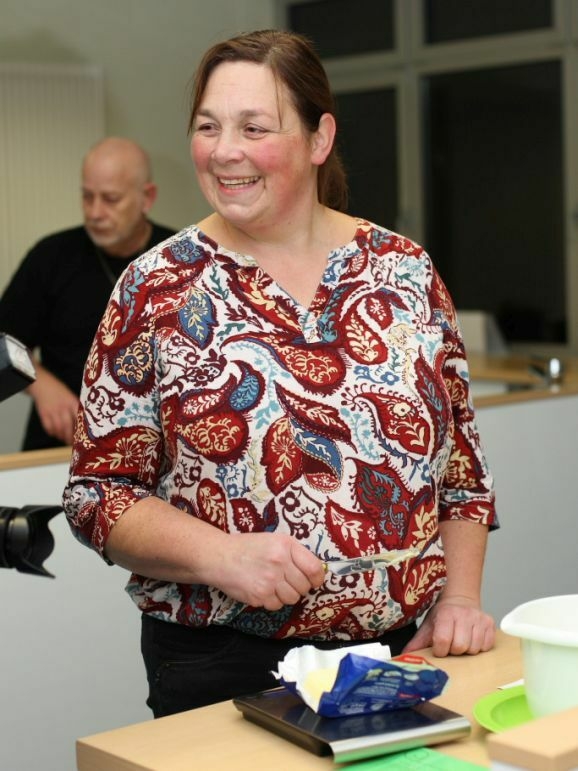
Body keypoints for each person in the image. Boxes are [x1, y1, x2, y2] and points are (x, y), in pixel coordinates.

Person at [62, 30, 499, 718]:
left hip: (401, 656)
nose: (224, 150)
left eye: (253, 127)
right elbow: (99, 493)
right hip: (224, 665)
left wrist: (461, 598)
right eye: (208, 126)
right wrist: (221, 556)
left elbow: (462, 474)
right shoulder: (156, 288)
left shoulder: (404, 271)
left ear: (319, 138)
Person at [0, 137, 175, 450]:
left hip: (154, 447)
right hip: (60, 443)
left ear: (147, 198)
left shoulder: (179, 258)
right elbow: (4, 340)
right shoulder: (51, 256)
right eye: (87, 196)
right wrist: (42, 386)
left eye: (110, 199)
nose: (95, 212)